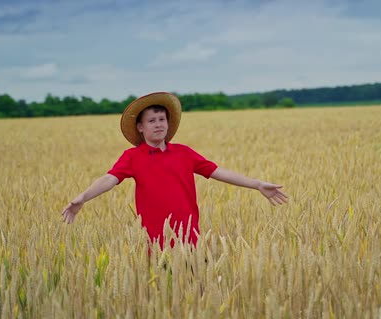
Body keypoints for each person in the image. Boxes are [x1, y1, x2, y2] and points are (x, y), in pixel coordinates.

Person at [61, 92, 288, 248]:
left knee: (195, 289)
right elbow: (109, 179)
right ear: (140, 127)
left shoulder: (184, 153)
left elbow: (219, 172)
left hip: (190, 238)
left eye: (162, 119)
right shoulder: (132, 157)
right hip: (154, 241)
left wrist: (257, 184)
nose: (159, 124)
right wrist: (83, 197)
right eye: (152, 120)